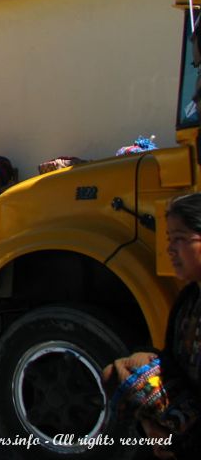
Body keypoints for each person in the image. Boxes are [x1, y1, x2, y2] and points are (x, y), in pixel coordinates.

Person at [103, 193, 201, 460]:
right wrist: (152, 427)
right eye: (169, 239)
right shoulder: (189, 300)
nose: (170, 249)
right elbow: (172, 362)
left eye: (180, 239)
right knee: (124, 370)